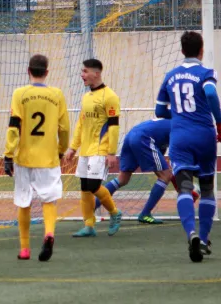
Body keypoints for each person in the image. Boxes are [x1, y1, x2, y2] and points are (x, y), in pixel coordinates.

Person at [155, 31, 221, 262]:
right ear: (201, 50)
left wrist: (181, 113)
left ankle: (190, 233)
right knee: (206, 188)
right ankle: (203, 238)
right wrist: (220, 121)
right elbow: (211, 93)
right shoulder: (206, 73)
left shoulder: (170, 76)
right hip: (204, 135)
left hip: (180, 136)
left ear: (182, 51)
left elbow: (159, 111)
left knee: (184, 187)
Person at [4, 54, 70, 261]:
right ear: (47, 72)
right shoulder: (57, 94)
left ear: (28, 70)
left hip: (25, 157)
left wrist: (8, 154)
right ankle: (49, 233)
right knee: (49, 200)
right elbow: (65, 127)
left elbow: (14, 126)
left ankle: (24, 249)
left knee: (24, 202)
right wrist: (61, 149)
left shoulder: (20, 93)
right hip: (48, 157)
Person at [94, 118, 199, 224]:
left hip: (132, 135)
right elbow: (174, 162)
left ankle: (90, 209)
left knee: (122, 179)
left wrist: (177, 184)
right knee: (165, 176)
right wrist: (183, 186)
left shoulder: (171, 125)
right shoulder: (182, 131)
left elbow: (160, 166)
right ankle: (145, 213)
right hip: (144, 138)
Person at [63, 58, 123, 237]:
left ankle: (114, 212)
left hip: (100, 150)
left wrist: (111, 152)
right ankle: (89, 225)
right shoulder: (86, 97)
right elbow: (81, 125)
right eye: (82, 71)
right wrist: (73, 148)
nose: (82, 75)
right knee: (84, 187)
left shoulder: (110, 96)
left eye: (85, 71)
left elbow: (113, 126)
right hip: (86, 151)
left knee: (93, 186)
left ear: (96, 73)